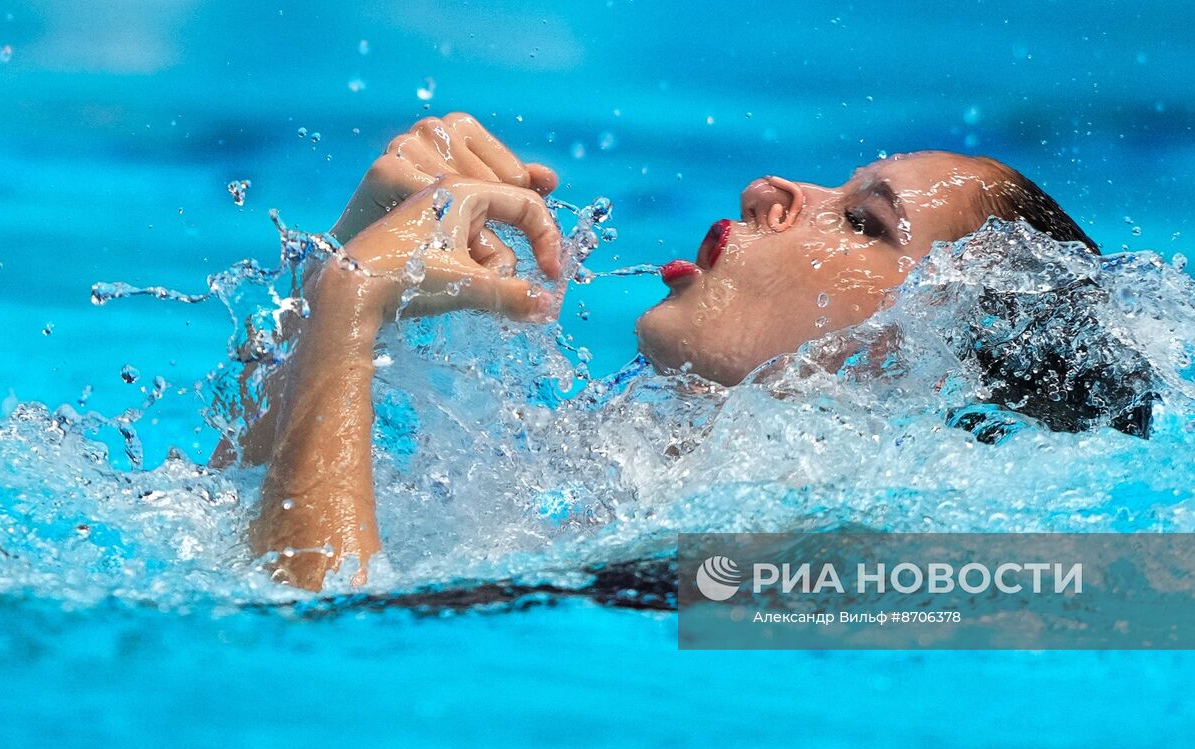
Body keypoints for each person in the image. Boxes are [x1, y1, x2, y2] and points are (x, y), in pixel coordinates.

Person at [228, 113, 1147, 591]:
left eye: (864, 222)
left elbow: (304, 645)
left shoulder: (811, 570)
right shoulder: (641, 500)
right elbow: (219, 527)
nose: (772, 189)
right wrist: (330, 296)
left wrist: (354, 301)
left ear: (922, 369)